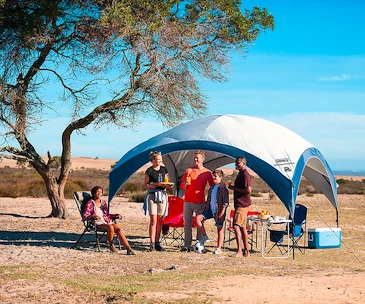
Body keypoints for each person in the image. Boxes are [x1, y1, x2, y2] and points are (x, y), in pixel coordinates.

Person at [82, 186, 135, 255]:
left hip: (105, 221)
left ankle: (128, 248)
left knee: (118, 228)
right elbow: (85, 216)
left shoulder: (103, 203)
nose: (99, 194)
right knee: (110, 227)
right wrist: (93, 216)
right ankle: (111, 245)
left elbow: (107, 215)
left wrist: (115, 215)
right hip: (96, 223)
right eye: (97, 192)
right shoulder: (90, 203)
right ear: (93, 194)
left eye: (100, 192)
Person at [179, 150, 214, 252]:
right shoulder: (188, 170)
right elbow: (182, 186)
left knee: (199, 223)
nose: (195, 159)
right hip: (188, 201)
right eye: (194, 158)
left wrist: (211, 200)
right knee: (187, 224)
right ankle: (187, 245)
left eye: (197, 158)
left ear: (202, 159)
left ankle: (199, 244)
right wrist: (184, 184)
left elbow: (212, 186)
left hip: (200, 201)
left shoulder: (207, 172)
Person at [195, 169, 229, 255]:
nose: (214, 178)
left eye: (216, 176)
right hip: (210, 210)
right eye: (213, 176)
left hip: (219, 211)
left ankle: (218, 248)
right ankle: (204, 236)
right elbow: (209, 200)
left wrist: (222, 212)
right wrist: (205, 208)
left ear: (220, 177)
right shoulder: (212, 187)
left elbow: (225, 202)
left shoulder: (223, 189)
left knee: (219, 229)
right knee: (198, 218)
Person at [144, 151, 172, 251]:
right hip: (152, 195)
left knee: (160, 220)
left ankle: (157, 242)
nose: (159, 161)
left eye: (160, 159)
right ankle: (151, 243)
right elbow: (146, 185)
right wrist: (154, 185)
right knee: (153, 220)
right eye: (157, 159)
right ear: (152, 160)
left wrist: (168, 185)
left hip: (162, 195)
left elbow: (166, 181)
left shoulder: (164, 169)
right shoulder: (149, 171)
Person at [228, 156, 252, 257]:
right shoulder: (240, 174)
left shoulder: (245, 175)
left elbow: (248, 190)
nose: (236, 164)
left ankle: (239, 251)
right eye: (236, 163)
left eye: (238, 163)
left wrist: (233, 188)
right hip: (241, 203)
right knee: (242, 227)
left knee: (236, 226)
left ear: (244, 164)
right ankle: (246, 251)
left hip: (242, 204)